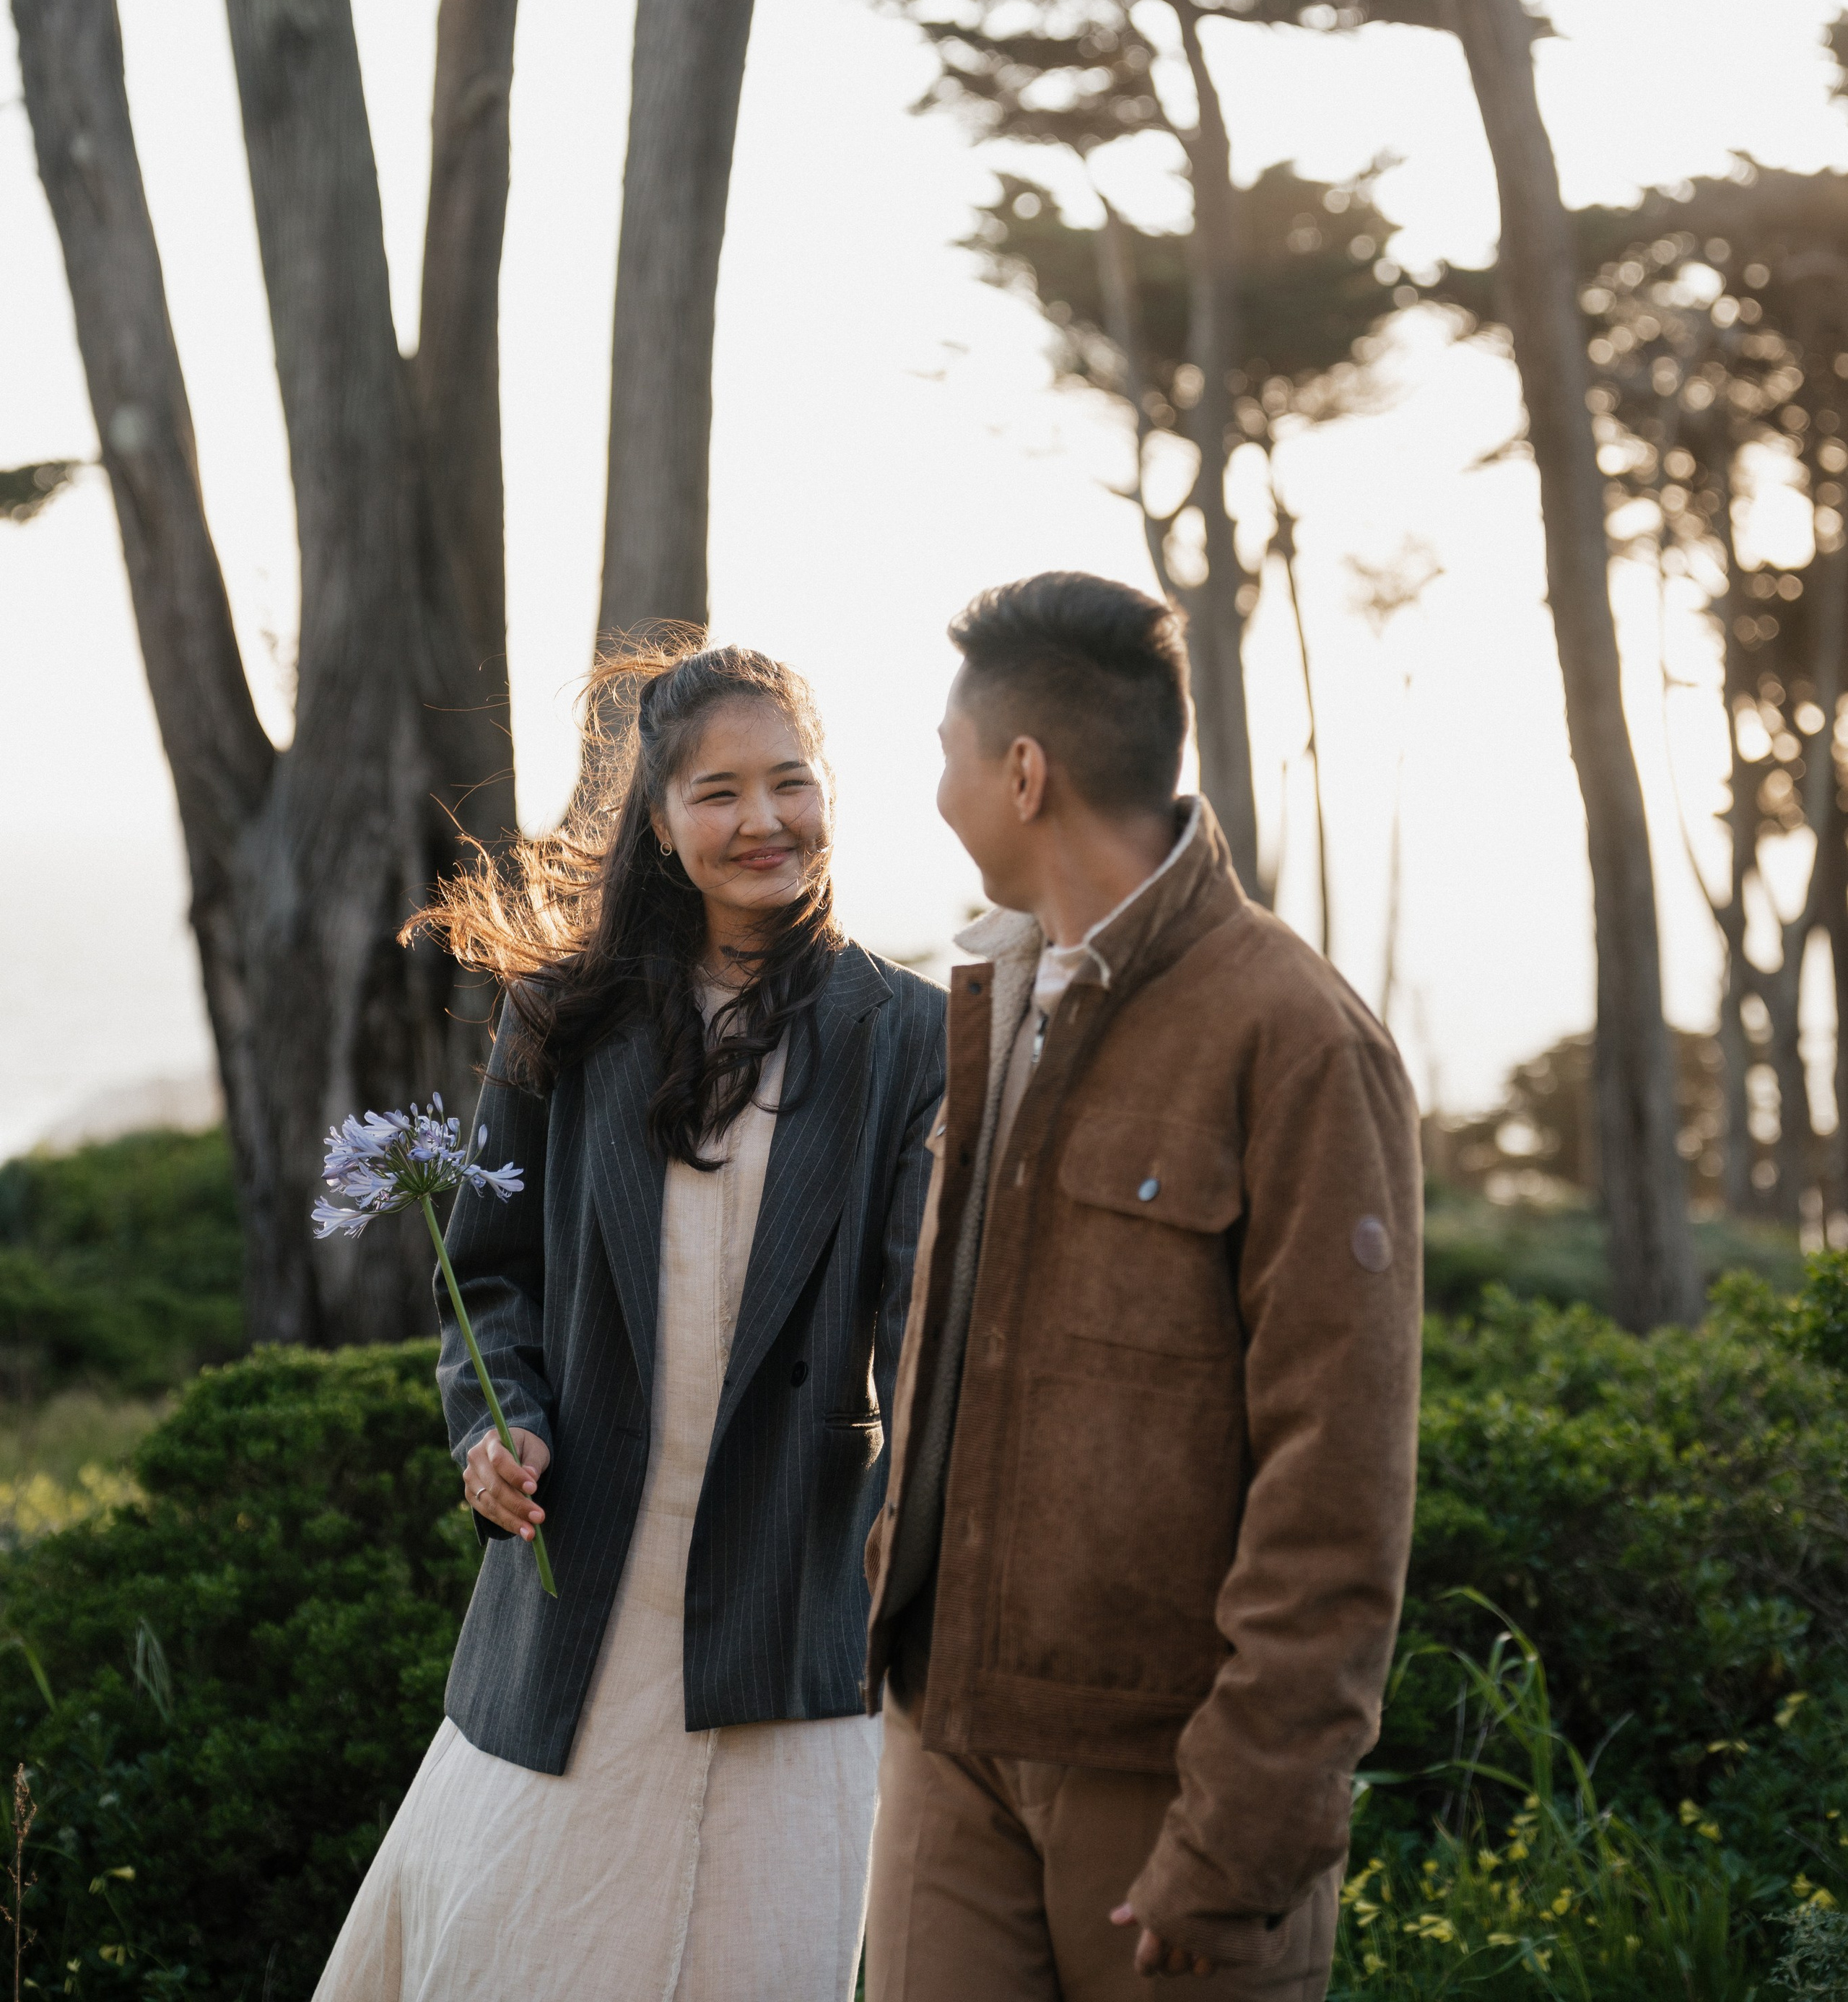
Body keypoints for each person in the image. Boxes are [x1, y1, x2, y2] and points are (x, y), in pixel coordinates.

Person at [315, 637, 944, 2002]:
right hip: (583, 1594)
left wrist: (919, 1513)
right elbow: (487, 1280)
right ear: (658, 822)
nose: (763, 821)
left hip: (797, 1589)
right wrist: (497, 1427)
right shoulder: (564, 1022)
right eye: (718, 792)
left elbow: (924, 1305)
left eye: (790, 783)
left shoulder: (909, 1035)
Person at [863, 572, 1422, 2001]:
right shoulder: (994, 998)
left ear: (1024, 772)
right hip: (945, 1740)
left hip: (1165, 1785)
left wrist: (1241, 1827)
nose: (935, 790)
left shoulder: (1293, 1035)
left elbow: (1338, 1472)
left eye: (946, 754)